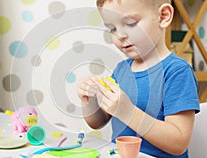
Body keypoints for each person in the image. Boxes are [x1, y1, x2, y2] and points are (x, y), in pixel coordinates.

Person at [77, 0, 200, 157]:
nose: (120, 35)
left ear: (163, 16)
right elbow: (98, 122)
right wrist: (89, 101)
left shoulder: (177, 71)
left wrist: (127, 112)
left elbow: (178, 143)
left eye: (131, 23)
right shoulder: (121, 70)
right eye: (112, 28)